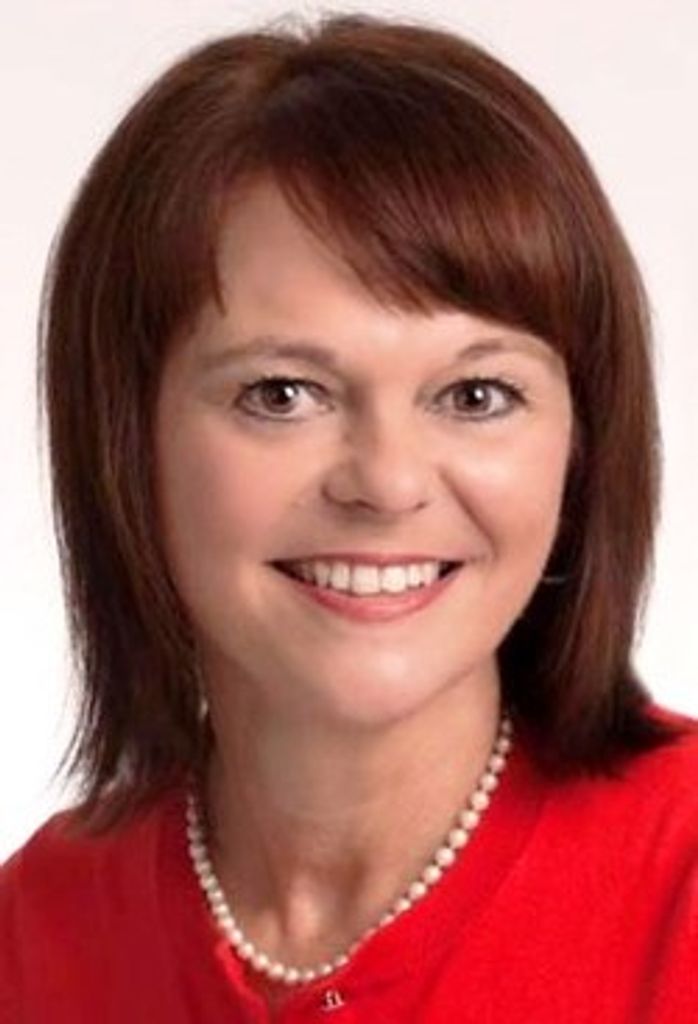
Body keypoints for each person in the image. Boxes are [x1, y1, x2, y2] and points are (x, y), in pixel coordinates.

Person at [1, 11, 696, 1022]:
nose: (387, 483)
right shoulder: (34, 934)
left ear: (580, 444)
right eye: (282, 394)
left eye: (475, 395)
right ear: (124, 437)